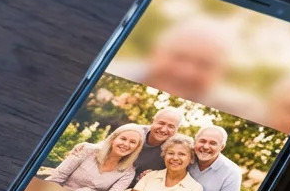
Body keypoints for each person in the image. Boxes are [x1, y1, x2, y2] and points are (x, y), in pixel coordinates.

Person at [109, 26, 260, 120]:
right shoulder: (112, 73)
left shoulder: (240, 110)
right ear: (154, 53)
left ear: (221, 73)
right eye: (179, 57)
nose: (185, 72)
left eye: (204, 65)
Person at [45, 123, 143, 191]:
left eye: (133, 142)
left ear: (137, 148)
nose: (126, 144)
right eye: (123, 138)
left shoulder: (128, 172)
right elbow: (57, 177)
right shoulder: (86, 150)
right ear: (113, 138)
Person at [123, 135, 204, 191]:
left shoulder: (195, 189)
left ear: (191, 159)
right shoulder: (150, 176)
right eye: (170, 153)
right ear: (164, 155)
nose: (175, 158)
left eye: (182, 154)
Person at [131, 107, 185, 176]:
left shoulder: (175, 147)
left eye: (171, 126)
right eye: (161, 123)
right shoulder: (135, 133)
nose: (163, 130)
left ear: (177, 129)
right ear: (152, 121)